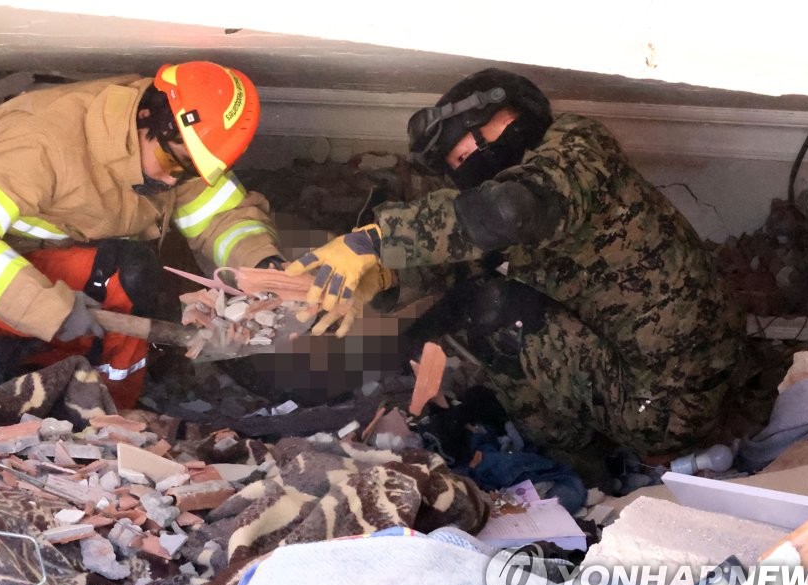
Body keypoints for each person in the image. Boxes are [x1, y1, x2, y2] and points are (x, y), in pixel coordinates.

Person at [287, 68, 745, 459]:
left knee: (493, 310)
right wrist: (384, 275)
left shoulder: (577, 149)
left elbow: (505, 211)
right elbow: (465, 254)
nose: (466, 168)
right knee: (474, 291)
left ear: (505, 118)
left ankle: (570, 457)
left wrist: (378, 240)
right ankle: (576, 451)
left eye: (466, 152)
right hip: (655, 381)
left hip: (668, 405)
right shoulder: (525, 196)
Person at [0, 61, 284, 409]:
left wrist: (265, 267)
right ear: (146, 117)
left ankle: (110, 405)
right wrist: (47, 309)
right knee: (129, 272)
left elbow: (222, 216)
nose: (173, 179)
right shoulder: (42, 141)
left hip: (74, 271)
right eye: (174, 163)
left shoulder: (173, 144)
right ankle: (100, 404)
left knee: (138, 276)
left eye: (189, 173)